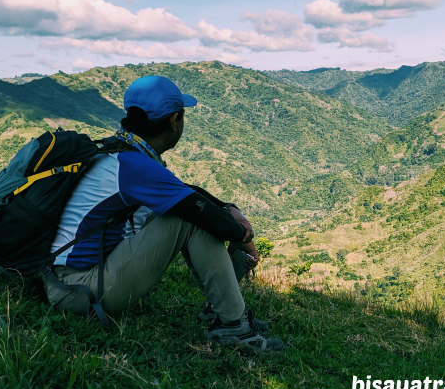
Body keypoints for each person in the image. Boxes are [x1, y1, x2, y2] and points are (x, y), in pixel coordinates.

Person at [46, 75, 284, 352]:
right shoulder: (134, 165)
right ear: (174, 120)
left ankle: (222, 311)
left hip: (65, 282)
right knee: (189, 219)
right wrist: (243, 233)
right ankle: (233, 327)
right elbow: (197, 211)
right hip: (78, 289)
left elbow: (185, 192)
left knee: (190, 211)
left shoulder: (122, 152)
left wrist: (229, 209)